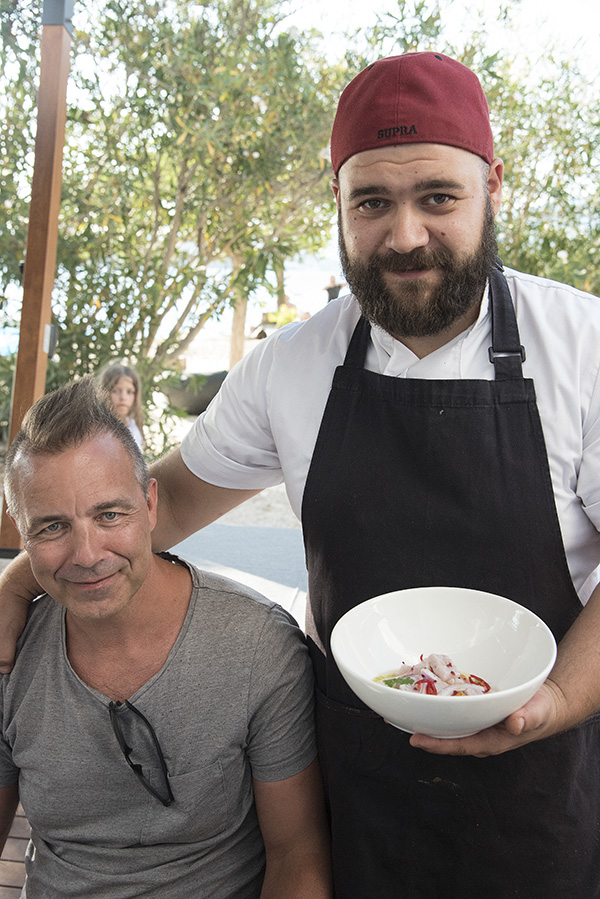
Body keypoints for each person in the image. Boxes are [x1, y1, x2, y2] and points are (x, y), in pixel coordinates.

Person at [2, 50, 600, 898]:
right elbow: (155, 506)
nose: (405, 235)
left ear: (493, 187)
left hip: (539, 790)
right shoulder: (290, 365)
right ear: (339, 202)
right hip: (358, 792)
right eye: (372, 202)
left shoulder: (583, 348)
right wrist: (19, 578)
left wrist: (558, 701)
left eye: (439, 197)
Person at [0, 378, 332, 898]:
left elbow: (297, 855)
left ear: (151, 505)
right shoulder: (10, 652)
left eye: (110, 515)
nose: (87, 555)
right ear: (22, 534)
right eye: (52, 528)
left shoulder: (257, 648)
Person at [97, 360, 144, 450]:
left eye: (129, 392)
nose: (123, 397)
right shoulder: (99, 429)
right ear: (104, 392)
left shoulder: (132, 425)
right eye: (115, 391)